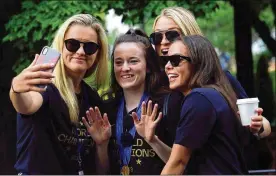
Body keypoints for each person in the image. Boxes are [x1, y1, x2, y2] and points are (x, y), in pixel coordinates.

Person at [9, 14, 111, 174]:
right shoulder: (44, 83)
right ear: (60, 46)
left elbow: (101, 171)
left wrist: (102, 145)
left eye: (90, 47)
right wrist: (16, 89)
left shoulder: (92, 98)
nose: (81, 51)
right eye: (72, 44)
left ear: (98, 54)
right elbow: (27, 105)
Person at [150, 6, 271, 140]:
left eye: (172, 35)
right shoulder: (157, 83)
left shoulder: (220, 78)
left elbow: (262, 125)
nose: (164, 41)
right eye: (157, 37)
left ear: (190, 35)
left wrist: (257, 126)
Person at [86, 28, 182, 175]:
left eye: (133, 61)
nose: (125, 68)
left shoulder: (168, 104)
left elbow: (183, 166)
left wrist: (153, 140)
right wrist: (101, 145)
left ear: (148, 66)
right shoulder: (107, 110)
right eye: (118, 62)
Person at [161, 35, 248, 174]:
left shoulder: (199, 99)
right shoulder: (217, 94)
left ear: (198, 62)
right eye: (166, 60)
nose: (167, 67)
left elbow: (178, 163)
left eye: (175, 60)